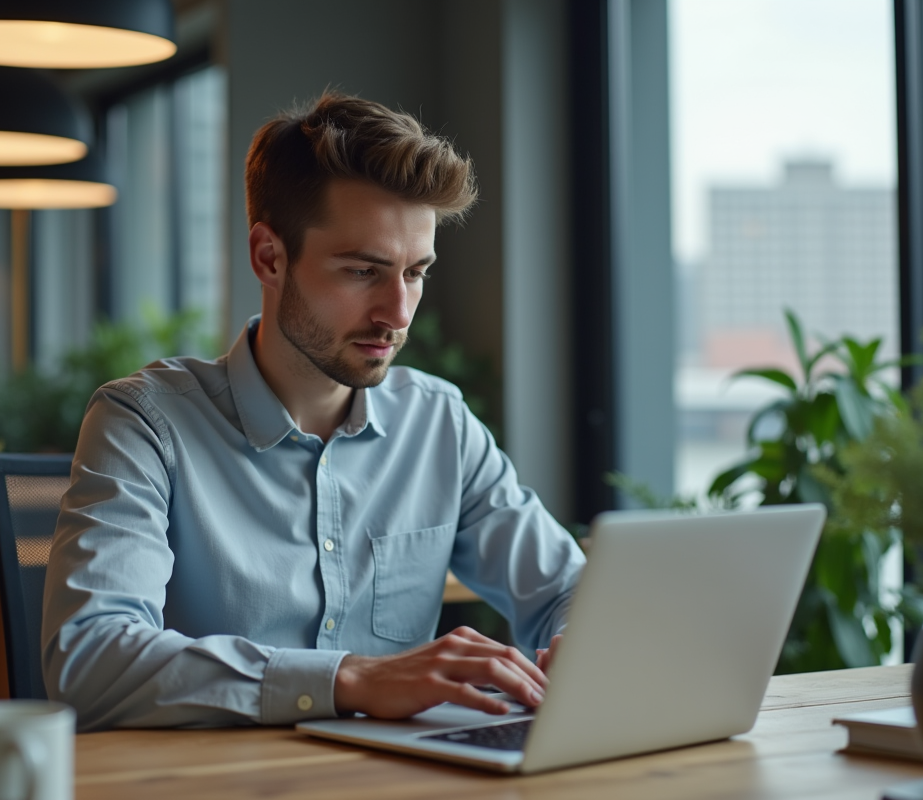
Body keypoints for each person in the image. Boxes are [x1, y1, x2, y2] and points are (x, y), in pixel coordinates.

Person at [42, 92, 586, 730]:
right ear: (269, 257)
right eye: (363, 271)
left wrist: (584, 639)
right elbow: (90, 659)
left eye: (416, 273)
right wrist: (350, 679)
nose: (399, 313)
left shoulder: (440, 424)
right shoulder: (144, 424)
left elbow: (566, 587)